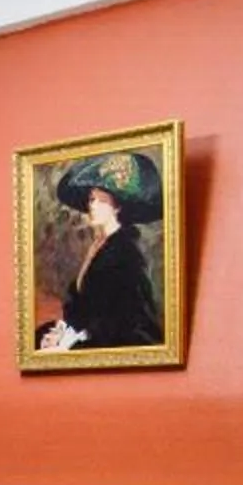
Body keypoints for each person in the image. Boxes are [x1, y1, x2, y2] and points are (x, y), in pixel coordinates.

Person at [38, 148, 164, 350]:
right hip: (90, 334)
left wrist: (70, 342)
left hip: (118, 341)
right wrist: (63, 331)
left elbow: (121, 322)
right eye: (91, 199)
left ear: (117, 206)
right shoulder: (99, 246)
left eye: (101, 200)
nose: (92, 206)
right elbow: (82, 307)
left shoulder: (124, 253)